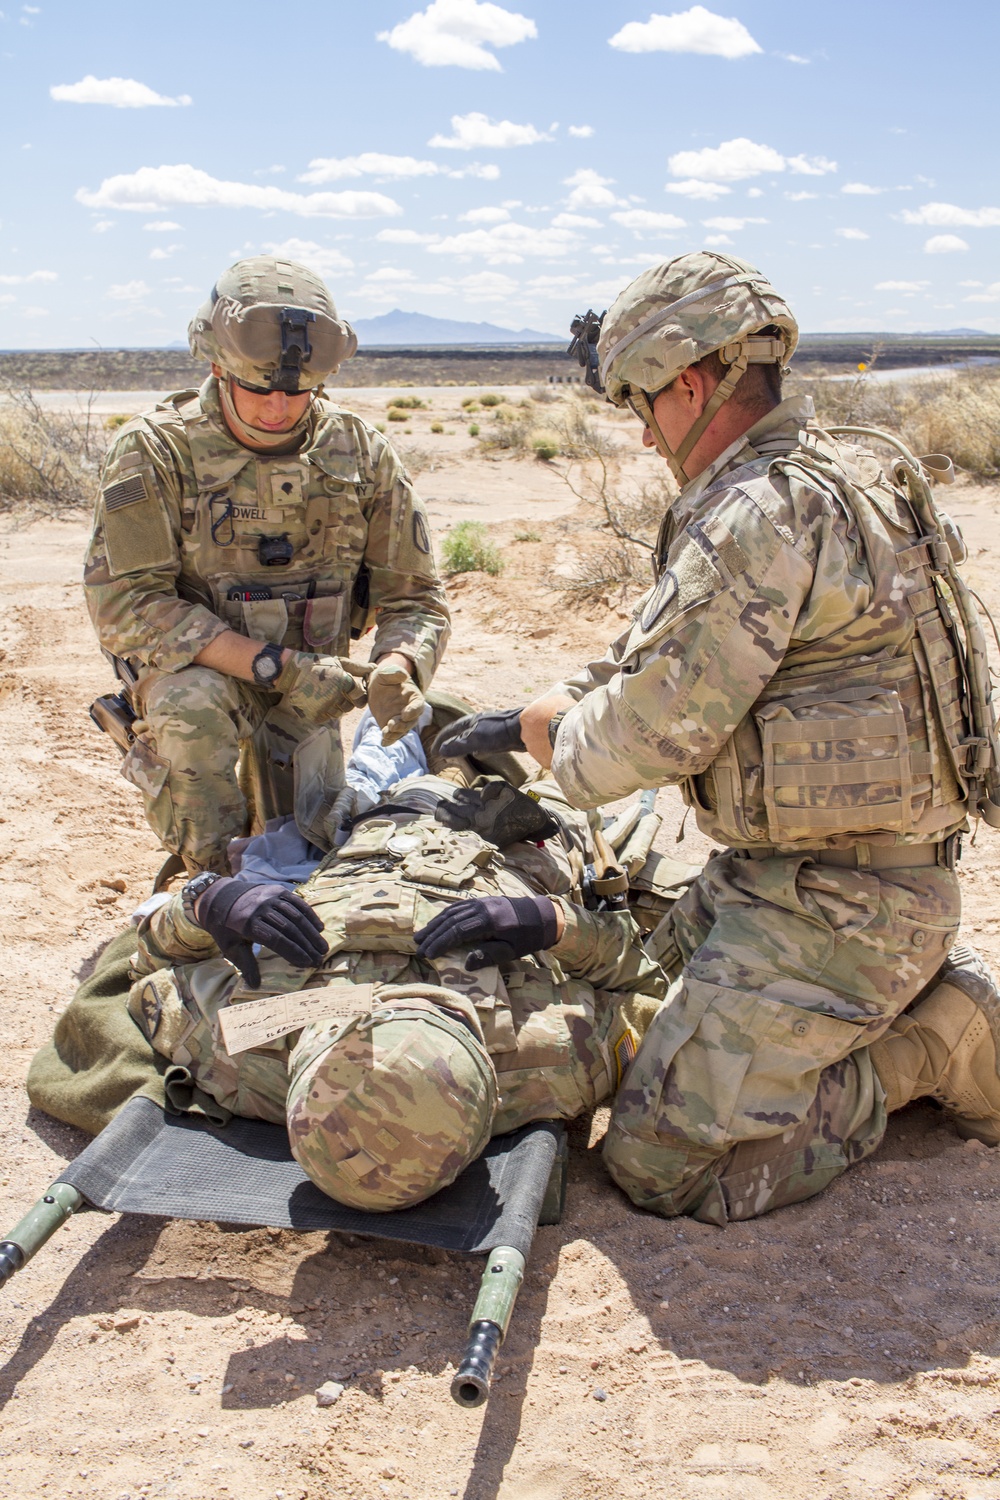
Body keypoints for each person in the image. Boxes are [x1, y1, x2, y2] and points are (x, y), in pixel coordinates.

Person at [435, 250, 1000, 1225]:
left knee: (662, 1165)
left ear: (689, 384)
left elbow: (654, 731)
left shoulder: (754, 513)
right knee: (630, 1014)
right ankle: (870, 1006)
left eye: (643, 406)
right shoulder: (831, 475)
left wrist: (546, 738)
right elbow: (657, 659)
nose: (648, 437)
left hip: (842, 901)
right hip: (793, 875)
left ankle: (939, 1036)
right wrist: (533, 713)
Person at [124, 762, 678, 1211]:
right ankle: (481, 759)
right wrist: (553, 923)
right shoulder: (554, 1055)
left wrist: (207, 902)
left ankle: (454, 760)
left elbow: (146, 968)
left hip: (378, 828)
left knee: (415, 765)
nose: (389, 995)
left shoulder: (245, 1045)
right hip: (521, 850)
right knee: (564, 772)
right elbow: (649, 993)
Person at [83, 255, 450, 874]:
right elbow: (126, 604)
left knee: (308, 844)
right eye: (259, 389)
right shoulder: (155, 450)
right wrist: (273, 666)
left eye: (299, 391)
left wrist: (398, 666)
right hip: (213, 678)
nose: (279, 408)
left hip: (314, 692)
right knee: (194, 726)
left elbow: (415, 596)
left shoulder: (359, 451)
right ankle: (208, 878)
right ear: (216, 366)